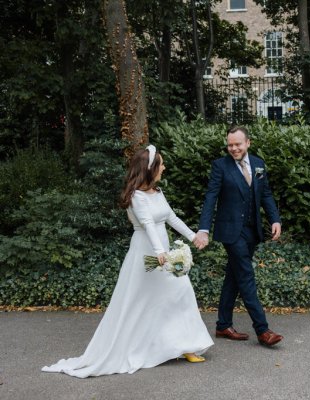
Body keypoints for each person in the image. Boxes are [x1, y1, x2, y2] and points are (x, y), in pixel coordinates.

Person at [42, 145, 213, 378]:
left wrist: (193, 237)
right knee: (141, 301)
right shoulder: (136, 197)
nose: (164, 167)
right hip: (147, 253)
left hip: (164, 252)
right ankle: (140, 346)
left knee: (180, 291)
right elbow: (148, 224)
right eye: (160, 164)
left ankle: (186, 345)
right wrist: (159, 252)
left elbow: (171, 217)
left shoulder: (157, 192)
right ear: (150, 168)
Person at [195, 126, 283, 347]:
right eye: (230, 144)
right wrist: (204, 229)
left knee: (233, 276)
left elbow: (266, 194)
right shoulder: (220, 166)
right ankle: (263, 330)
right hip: (231, 232)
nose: (233, 148)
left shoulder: (258, 163)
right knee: (245, 275)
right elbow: (210, 198)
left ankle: (223, 324)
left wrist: (275, 219)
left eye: (237, 144)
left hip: (252, 231)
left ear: (248, 143)